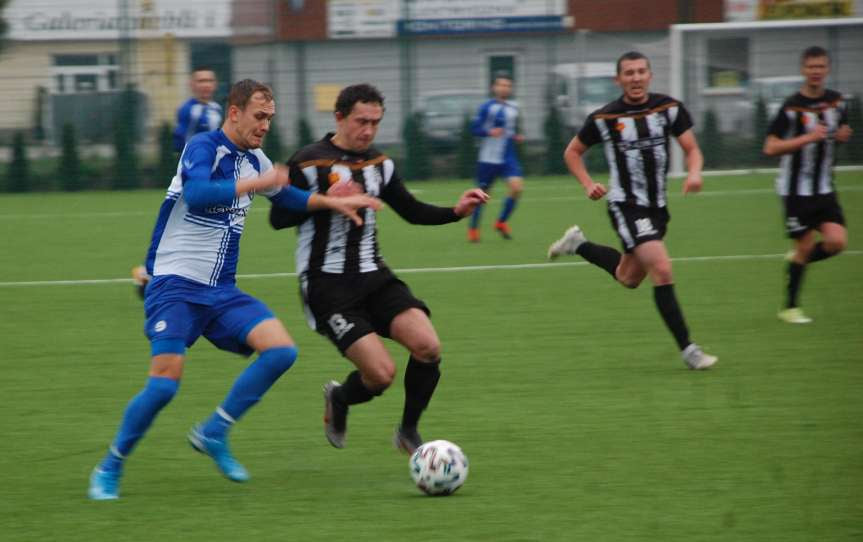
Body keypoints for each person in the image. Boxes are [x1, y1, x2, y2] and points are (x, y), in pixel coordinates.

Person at [88, 79, 380, 500]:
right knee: (164, 384)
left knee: (281, 350)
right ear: (235, 112)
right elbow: (199, 193)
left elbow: (289, 199)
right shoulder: (204, 147)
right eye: (259, 116)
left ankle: (214, 431)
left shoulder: (257, 160)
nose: (265, 125)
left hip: (220, 290)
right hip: (174, 285)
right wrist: (254, 185)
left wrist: (331, 203)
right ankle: (109, 466)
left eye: (270, 118)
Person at [268, 83, 489, 454]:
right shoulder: (308, 162)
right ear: (339, 117)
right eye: (361, 121)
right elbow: (278, 218)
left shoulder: (380, 164)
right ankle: (339, 397)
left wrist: (456, 211)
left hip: (375, 277)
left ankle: (408, 431)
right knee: (381, 375)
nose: (368, 130)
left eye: (375, 122)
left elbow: (412, 211)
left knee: (428, 346)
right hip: (328, 287)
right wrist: (324, 201)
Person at [547, 51, 717, 370]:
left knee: (629, 277)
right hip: (626, 205)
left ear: (650, 76)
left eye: (641, 72)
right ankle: (689, 350)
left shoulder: (669, 108)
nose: (636, 78)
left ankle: (578, 244)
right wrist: (587, 184)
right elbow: (572, 152)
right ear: (618, 80)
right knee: (662, 269)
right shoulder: (605, 118)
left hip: (657, 208)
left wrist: (695, 172)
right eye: (629, 73)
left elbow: (692, 149)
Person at [763, 46, 852, 324]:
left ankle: (797, 261)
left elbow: (840, 132)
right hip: (794, 190)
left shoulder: (837, 103)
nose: (816, 72)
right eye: (811, 67)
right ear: (803, 70)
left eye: (821, 67)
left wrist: (841, 136)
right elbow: (770, 147)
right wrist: (807, 139)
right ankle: (789, 308)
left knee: (837, 242)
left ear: (827, 69)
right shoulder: (791, 107)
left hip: (824, 187)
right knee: (804, 245)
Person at [132, 67, 224, 298]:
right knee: (171, 225)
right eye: (201, 81)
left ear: (215, 84)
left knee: (201, 227)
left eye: (210, 80)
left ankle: (192, 275)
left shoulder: (216, 109)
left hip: (208, 180)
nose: (205, 85)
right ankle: (148, 273)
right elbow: (181, 142)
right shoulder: (189, 110)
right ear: (192, 85)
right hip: (190, 179)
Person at [467, 74, 524, 242]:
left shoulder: (514, 108)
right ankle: (473, 229)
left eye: (508, 85)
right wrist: (489, 132)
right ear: (494, 88)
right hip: (488, 158)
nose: (504, 88)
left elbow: (509, 130)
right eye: (501, 85)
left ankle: (501, 222)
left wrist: (515, 137)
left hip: (508, 156)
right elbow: (474, 129)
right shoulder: (487, 107)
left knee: (516, 188)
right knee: (481, 196)